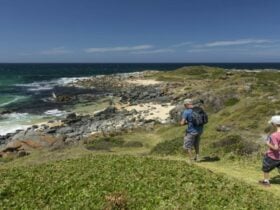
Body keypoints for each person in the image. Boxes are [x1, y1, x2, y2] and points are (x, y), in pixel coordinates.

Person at [259, 115, 280, 187]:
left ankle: (266, 182)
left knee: (266, 168)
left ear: (274, 124)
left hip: (272, 156)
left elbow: (276, 148)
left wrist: (267, 143)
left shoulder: (274, 135)